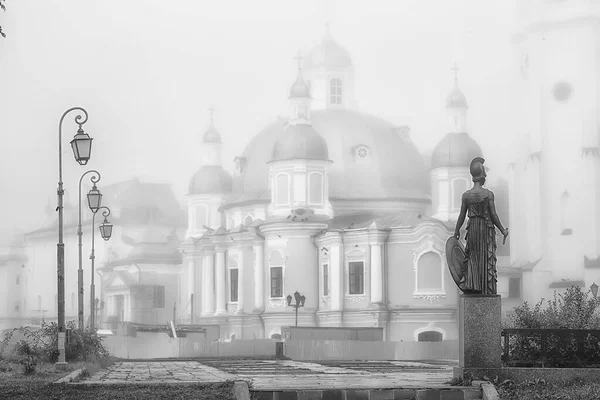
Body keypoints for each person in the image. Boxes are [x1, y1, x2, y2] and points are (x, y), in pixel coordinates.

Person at [453, 157, 509, 294]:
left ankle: (473, 285)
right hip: (485, 229)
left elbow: (461, 215)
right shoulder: (488, 194)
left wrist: (456, 231)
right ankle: (485, 288)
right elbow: (494, 215)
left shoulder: (466, 196)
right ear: (482, 175)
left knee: (473, 257)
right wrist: (502, 230)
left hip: (473, 229)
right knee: (485, 258)